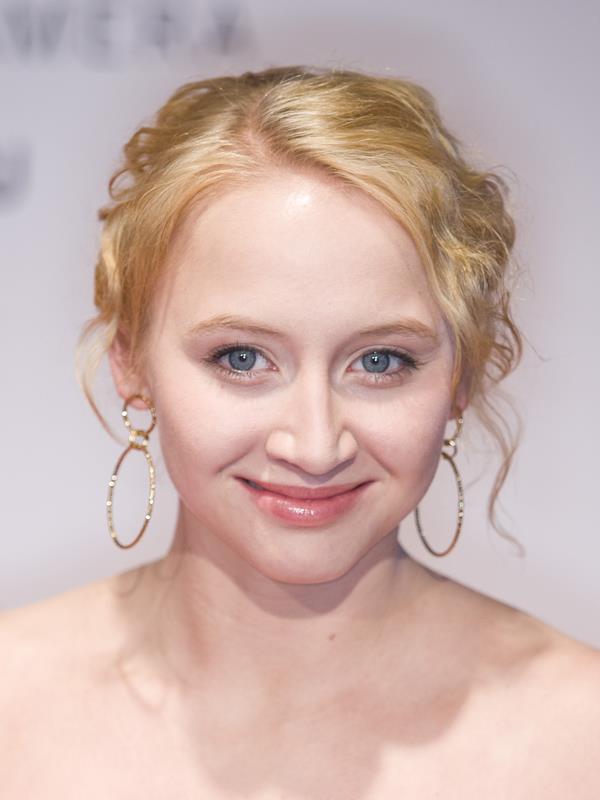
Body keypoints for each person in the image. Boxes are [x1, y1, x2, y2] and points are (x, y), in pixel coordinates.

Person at [1, 65, 599, 797]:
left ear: (461, 376)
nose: (315, 446)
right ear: (131, 361)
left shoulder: (581, 738)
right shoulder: (12, 708)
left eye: (380, 361)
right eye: (242, 358)